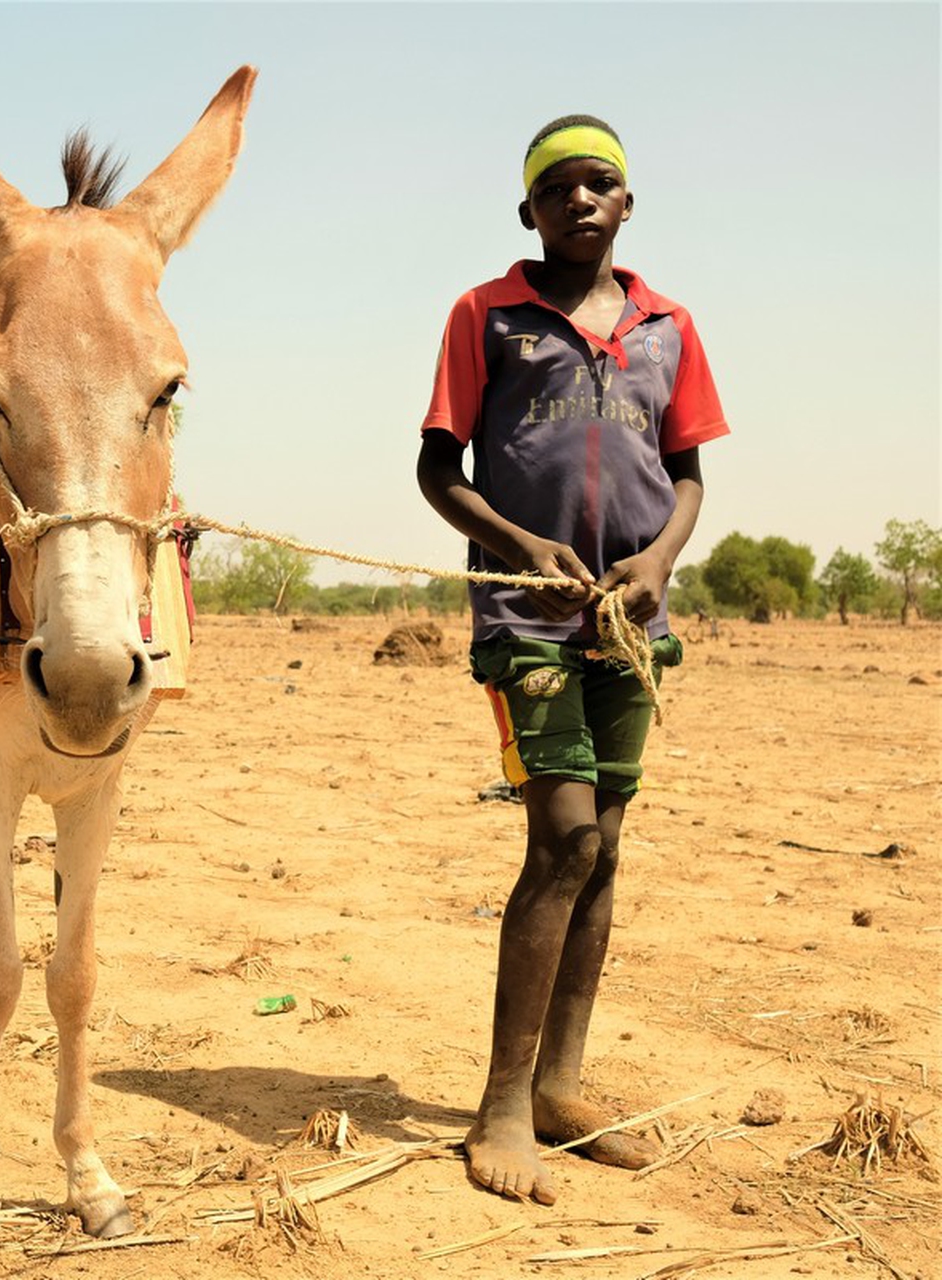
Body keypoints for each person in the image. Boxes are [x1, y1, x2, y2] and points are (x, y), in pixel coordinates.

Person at [415, 116, 729, 1205]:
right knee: (561, 836)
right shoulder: (487, 317)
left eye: (601, 184)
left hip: (628, 624)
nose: (580, 201)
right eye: (558, 188)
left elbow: (687, 474)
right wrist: (517, 545)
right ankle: (502, 1105)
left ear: (628, 204)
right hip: (528, 618)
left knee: (605, 848)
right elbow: (435, 465)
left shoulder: (668, 326)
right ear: (528, 214)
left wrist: (659, 558)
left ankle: (560, 1084)